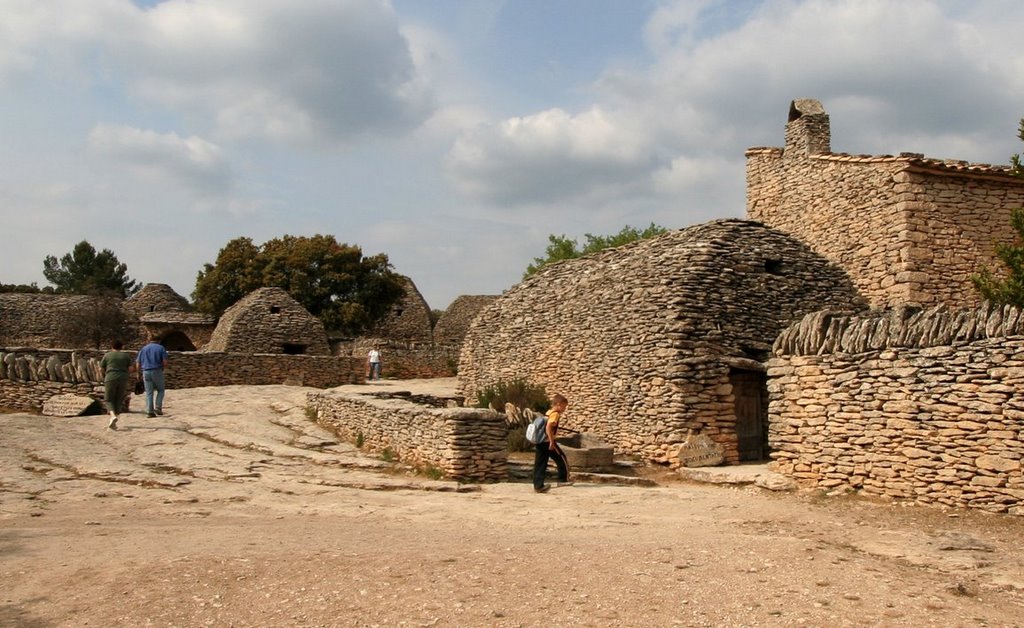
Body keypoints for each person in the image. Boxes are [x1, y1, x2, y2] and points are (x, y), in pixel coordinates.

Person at [533, 393, 572, 493]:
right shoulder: (555, 414)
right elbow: (549, 427)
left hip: (540, 441)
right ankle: (563, 480)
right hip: (547, 441)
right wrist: (551, 441)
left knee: (540, 463)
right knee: (561, 458)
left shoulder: (548, 412)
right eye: (564, 406)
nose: (564, 409)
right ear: (559, 404)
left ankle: (538, 485)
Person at [99, 339, 133, 430]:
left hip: (110, 377)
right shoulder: (126, 356)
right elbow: (130, 369)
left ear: (112, 346)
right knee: (119, 398)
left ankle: (112, 415)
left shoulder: (107, 355)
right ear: (121, 347)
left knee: (109, 399)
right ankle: (114, 421)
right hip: (123, 378)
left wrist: (105, 374)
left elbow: (101, 368)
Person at [136, 334, 169, 418]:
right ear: (158, 341)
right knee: (160, 390)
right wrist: (163, 368)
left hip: (146, 371)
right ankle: (158, 407)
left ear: (150, 340)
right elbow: (165, 362)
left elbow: (138, 363)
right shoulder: (161, 348)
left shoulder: (143, 349)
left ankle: (149, 411)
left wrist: (138, 373)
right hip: (157, 371)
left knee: (149, 392)